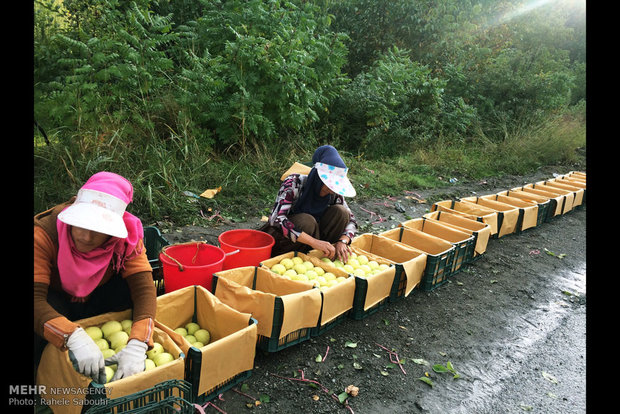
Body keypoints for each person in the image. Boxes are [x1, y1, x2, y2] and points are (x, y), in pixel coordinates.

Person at [33, 171, 156, 384]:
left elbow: (144, 289)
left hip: (97, 301)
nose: (86, 236)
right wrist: (71, 336)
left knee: (126, 290)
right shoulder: (44, 234)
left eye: (99, 229)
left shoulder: (126, 238)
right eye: (81, 224)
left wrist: (138, 343)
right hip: (55, 303)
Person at [261, 145, 358, 263]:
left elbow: (351, 220)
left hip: (315, 240)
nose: (331, 191)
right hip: (284, 240)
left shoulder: (334, 193)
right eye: (328, 187)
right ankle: (284, 257)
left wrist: (342, 241)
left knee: (341, 212)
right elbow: (276, 219)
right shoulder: (294, 183)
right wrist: (313, 242)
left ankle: (323, 255)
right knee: (307, 221)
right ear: (318, 178)